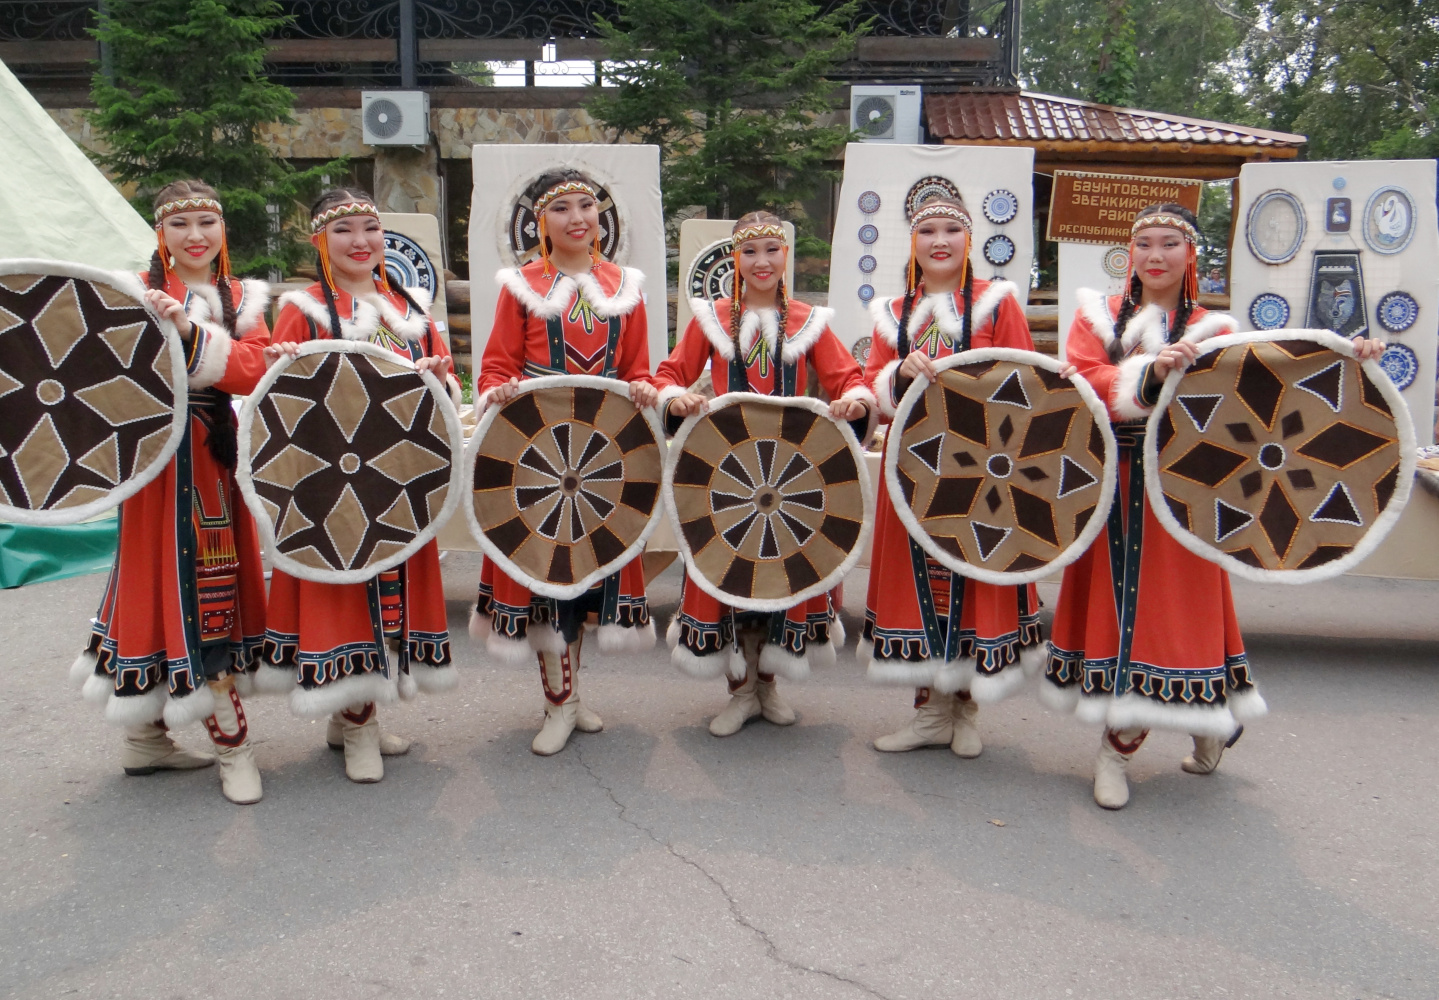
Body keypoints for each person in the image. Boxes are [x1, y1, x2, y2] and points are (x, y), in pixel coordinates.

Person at [1043, 203, 1384, 809]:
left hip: (1191, 490)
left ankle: (1150, 735)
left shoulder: (1216, 330)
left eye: (1169, 243)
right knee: (1121, 608)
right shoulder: (1094, 317)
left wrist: (1345, 361)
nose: (1155, 254)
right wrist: (1148, 374)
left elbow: (1268, 388)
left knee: (1179, 610)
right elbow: (1077, 378)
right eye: (1144, 242)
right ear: (1130, 253)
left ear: (1190, 254)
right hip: (1113, 483)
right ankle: (1174, 728)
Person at [633, 211, 875, 736]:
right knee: (732, 570)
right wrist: (681, 397)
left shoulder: (811, 321)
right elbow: (669, 375)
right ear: (735, 260)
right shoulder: (712, 319)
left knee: (783, 574)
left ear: (785, 255)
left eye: (771, 249)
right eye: (749, 252)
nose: (761, 261)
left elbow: (848, 379)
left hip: (792, 478)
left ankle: (768, 683)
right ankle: (740, 692)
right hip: (728, 474)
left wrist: (855, 403)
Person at [72, 180, 270, 804]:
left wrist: (189, 330)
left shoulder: (242, 296)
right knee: (172, 584)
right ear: (161, 232)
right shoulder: (130, 289)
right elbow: (96, 369)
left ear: (222, 231)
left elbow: (253, 370)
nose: (195, 236)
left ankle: (146, 737)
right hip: (156, 460)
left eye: (206, 222)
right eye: (180, 223)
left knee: (195, 582)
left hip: (213, 455)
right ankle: (230, 747)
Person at [259, 188, 458, 783]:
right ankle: (360, 728)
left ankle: (348, 717)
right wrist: (284, 360)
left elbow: (446, 388)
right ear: (320, 241)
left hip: (398, 477)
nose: (361, 241)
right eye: (344, 229)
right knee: (348, 596)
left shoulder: (412, 310)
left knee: (388, 597)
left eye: (370, 227)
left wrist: (441, 374)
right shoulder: (305, 308)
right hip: (334, 481)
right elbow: (283, 403)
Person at [473, 169, 656, 756]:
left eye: (587, 206)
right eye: (562, 209)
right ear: (540, 222)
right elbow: (496, 366)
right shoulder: (521, 285)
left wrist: (649, 388)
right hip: (539, 452)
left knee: (585, 576)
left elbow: (637, 369)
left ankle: (570, 696)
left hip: (602, 454)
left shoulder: (626, 286)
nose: (578, 218)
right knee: (548, 576)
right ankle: (559, 702)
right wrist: (498, 389)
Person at [860, 194, 1043, 758]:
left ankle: (965, 708)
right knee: (923, 587)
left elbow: (1030, 378)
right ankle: (929, 710)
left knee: (973, 576)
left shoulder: (996, 303)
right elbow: (871, 389)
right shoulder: (891, 313)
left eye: (951, 231)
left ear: (969, 241)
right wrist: (896, 372)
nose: (940, 241)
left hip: (982, 466)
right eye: (927, 231)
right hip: (912, 465)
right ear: (913, 244)